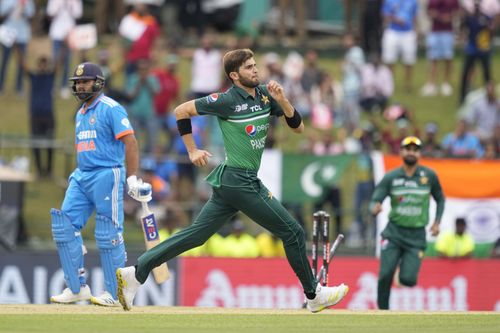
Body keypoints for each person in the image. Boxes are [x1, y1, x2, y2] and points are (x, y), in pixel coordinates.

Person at [116, 48, 349, 313]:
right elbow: (181, 111)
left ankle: (135, 273)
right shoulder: (225, 100)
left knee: (195, 236)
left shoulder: (263, 95)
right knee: (293, 231)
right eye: (249, 67)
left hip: (235, 181)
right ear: (235, 75)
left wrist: (283, 100)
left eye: (255, 65)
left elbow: (298, 127)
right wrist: (192, 149)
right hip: (240, 180)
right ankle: (313, 294)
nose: (256, 70)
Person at [49, 62, 151, 307]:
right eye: (78, 82)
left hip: (108, 174)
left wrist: (132, 177)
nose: (81, 85)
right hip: (82, 175)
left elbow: (131, 143)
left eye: (86, 81)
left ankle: (115, 293)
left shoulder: (111, 108)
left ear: (99, 83)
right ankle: (76, 288)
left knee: (108, 232)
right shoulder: (81, 112)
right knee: (64, 227)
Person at [370, 136, 445, 310]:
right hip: (394, 233)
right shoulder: (391, 177)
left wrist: (437, 222)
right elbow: (375, 199)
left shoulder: (429, 176)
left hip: (416, 236)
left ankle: (402, 269)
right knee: (385, 275)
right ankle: (382, 312)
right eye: (408, 149)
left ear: (419, 153)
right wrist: (374, 208)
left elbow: (440, 199)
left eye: (415, 149)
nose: (411, 152)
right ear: (401, 151)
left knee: (408, 280)